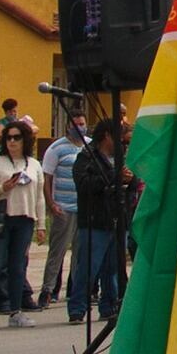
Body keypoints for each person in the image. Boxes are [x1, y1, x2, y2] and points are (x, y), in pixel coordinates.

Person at [0, 120, 44, 329]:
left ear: (26, 140)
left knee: (17, 267)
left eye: (17, 137)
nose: (12, 142)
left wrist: (41, 224)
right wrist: (2, 188)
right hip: (0, 219)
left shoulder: (33, 164)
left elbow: (39, 196)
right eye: (9, 137)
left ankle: (16, 311)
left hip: (24, 219)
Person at [68, 120, 128, 324]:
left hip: (116, 219)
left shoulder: (119, 158)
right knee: (88, 267)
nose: (121, 141)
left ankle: (109, 306)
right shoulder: (86, 158)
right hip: (94, 221)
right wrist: (113, 177)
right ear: (107, 136)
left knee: (112, 269)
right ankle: (77, 308)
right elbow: (84, 185)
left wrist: (129, 179)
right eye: (118, 137)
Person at [39, 110, 85, 308]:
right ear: (68, 126)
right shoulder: (56, 149)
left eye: (83, 123)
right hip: (63, 208)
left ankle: (75, 291)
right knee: (57, 252)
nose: (81, 127)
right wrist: (51, 204)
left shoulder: (89, 146)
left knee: (80, 253)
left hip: (82, 208)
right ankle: (47, 290)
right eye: (77, 124)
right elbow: (47, 178)